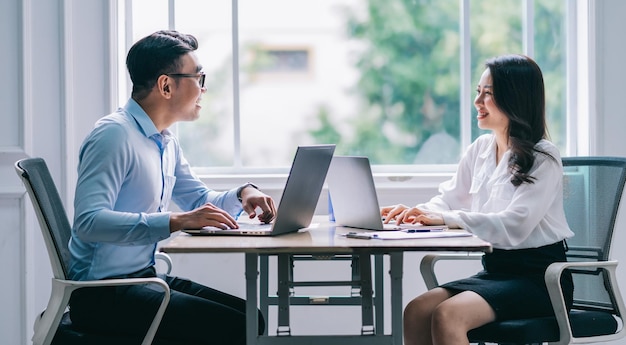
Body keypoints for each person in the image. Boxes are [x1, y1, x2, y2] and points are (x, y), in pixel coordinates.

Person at [68, 30, 277, 344]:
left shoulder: (164, 140)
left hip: (143, 279)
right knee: (236, 329)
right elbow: (89, 222)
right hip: (102, 294)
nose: (204, 89)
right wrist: (176, 221)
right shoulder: (113, 136)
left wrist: (243, 192)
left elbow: (199, 199)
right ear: (166, 85)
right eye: (198, 78)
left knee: (252, 320)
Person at [381, 54, 574, 345]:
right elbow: (449, 199)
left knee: (448, 315)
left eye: (488, 94)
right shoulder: (480, 148)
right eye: (478, 92)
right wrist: (416, 212)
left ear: (515, 99)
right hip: (496, 273)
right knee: (416, 310)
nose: (477, 102)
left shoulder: (543, 157)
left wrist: (447, 218)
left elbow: (515, 225)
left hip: (540, 280)